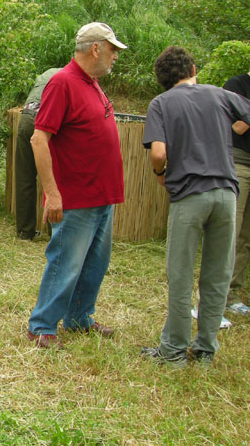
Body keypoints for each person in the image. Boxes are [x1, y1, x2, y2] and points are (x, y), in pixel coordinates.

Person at [140, 46, 250, 367]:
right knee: (218, 275)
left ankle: (173, 351)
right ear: (192, 67)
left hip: (190, 194)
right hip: (227, 195)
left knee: (181, 272)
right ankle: (205, 351)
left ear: (161, 79)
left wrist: (161, 175)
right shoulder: (218, 95)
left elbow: (158, 154)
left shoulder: (160, 104)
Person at [26, 22, 126, 349]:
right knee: (65, 263)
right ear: (95, 48)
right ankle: (41, 327)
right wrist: (53, 193)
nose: (114, 56)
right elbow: (39, 139)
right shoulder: (63, 83)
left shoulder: (92, 83)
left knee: (94, 264)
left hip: (101, 196)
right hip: (76, 197)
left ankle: (79, 318)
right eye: (112, 49)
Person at [15, 67, 61, 240]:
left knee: (24, 177)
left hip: (26, 118)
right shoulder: (69, 79)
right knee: (52, 177)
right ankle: (54, 232)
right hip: (45, 121)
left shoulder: (46, 74)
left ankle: (24, 231)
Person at [222, 70, 250, 316]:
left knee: (246, 237)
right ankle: (215, 297)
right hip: (239, 164)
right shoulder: (236, 84)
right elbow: (237, 127)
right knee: (231, 230)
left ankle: (233, 294)